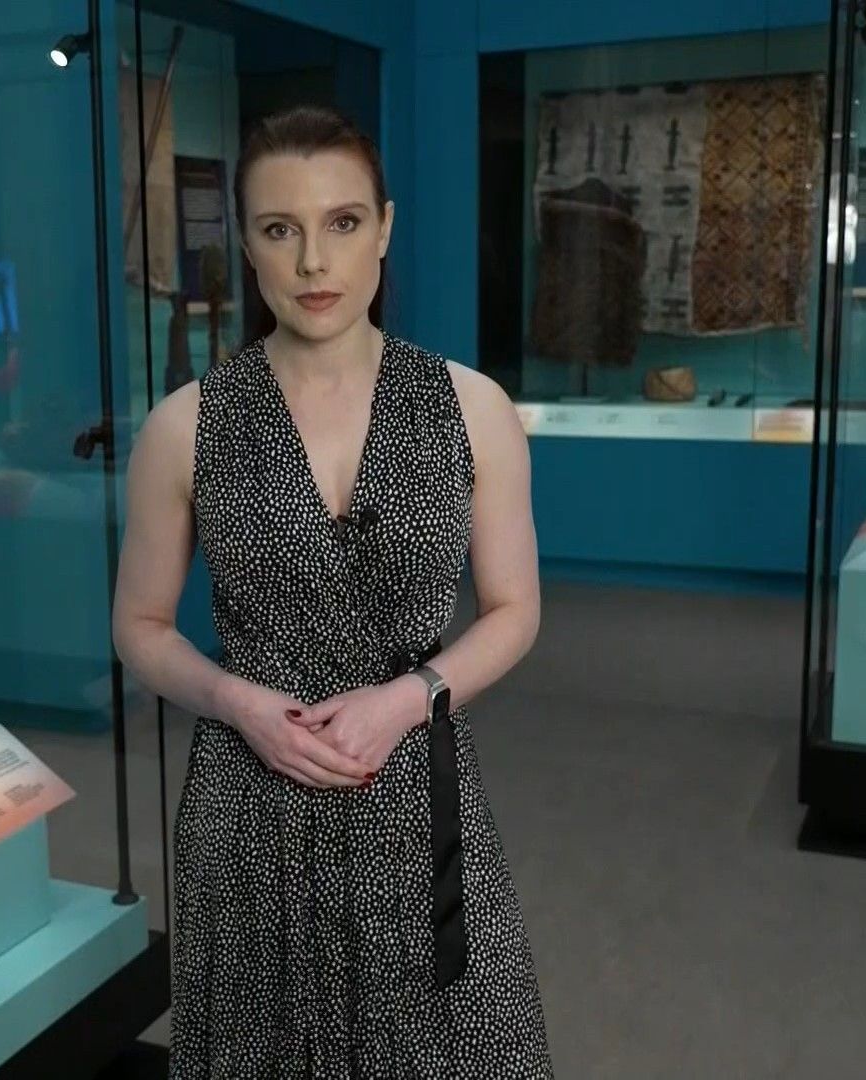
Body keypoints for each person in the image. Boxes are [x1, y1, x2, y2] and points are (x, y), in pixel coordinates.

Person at [111, 104, 555, 1078]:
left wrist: (407, 699)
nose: (314, 261)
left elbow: (515, 609)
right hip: (249, 799)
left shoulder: (471, 408)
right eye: (281, 229)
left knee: (450, 1043)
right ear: (246, 244)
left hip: (414, 785)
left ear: (384, 229)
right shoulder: (185, 426)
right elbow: (139, 625)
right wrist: (237, 702)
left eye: (343, 223)